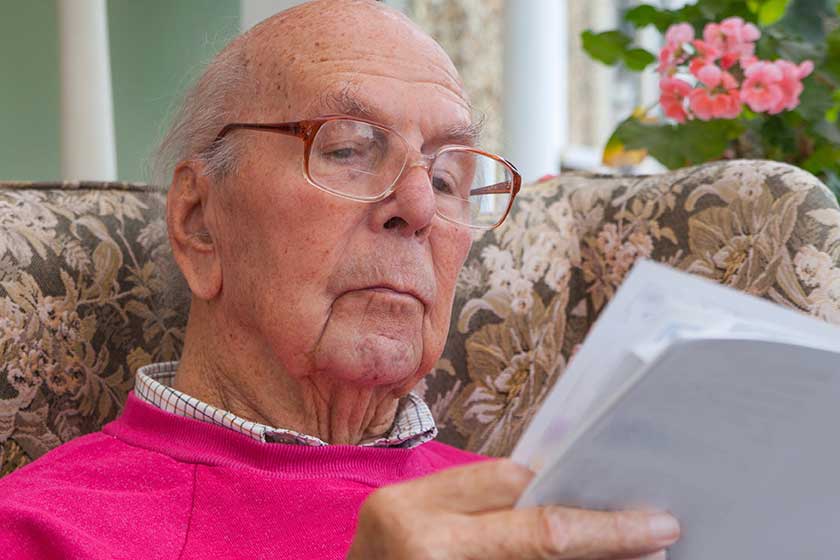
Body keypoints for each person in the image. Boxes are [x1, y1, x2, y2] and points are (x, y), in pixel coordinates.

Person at [0, 1, 680, 558]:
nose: (419, 206)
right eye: (349, 148)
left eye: (447, 177)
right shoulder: (40, 531)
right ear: (200, 222)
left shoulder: (543, 517)